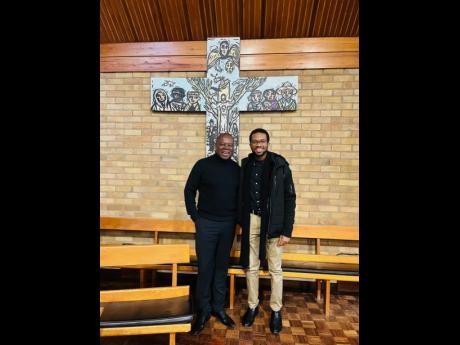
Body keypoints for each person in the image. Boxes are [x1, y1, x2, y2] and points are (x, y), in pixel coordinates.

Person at [238, 128, 296, 334]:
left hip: (274, 223)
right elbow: (241, 195)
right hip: (252, 220)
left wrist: (287, 230)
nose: (258, 145)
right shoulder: (245, 165)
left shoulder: (280, 165)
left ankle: (276, 310)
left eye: (262, 141)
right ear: (250, 144)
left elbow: (290, 198)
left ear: (268, 143)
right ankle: (252, 306)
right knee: (251, 268)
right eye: (255, 141)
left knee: (275, 270)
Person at [184, 133, 240, 335]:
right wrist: (195, 217)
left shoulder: (236, 170)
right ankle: (203, 310)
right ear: (215, 145)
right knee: (205, 268)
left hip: (228, 225)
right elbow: (189, 190)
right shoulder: (202, 165)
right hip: (206, 224)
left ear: (233, 147)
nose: (226, 148)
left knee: (221, 268)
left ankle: (218, 308)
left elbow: (241, 198)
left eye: (230, 145)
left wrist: (237, 220)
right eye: (223, 144)